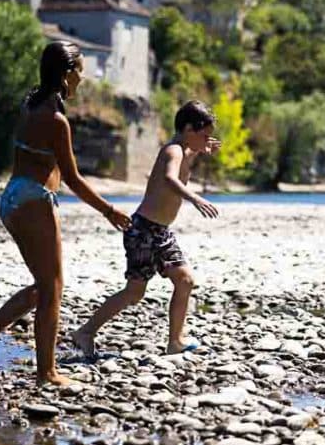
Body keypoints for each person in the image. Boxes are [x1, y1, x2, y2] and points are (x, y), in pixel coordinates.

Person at [0, 41, 131, 385]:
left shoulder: (30, 103)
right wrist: (109, 210)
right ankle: (47, 372)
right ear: (66, 74)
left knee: (44, 288)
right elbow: (71, 178)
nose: (81, 81)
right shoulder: (57, 121)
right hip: (35, 201)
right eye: (79, 73)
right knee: (53, 288)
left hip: (12, 197)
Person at [71, 100, 221, 357]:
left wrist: (200, 150)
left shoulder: (184, 149)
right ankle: (86, 331)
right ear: (188, 129)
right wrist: (195, 198)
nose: (208, 139)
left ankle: (175, 341)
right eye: (204, 135)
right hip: (143, 230)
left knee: (184, 281)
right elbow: (169, 178)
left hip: (160, 232)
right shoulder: (173, 150)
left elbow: (185, 163)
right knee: (134, 292)